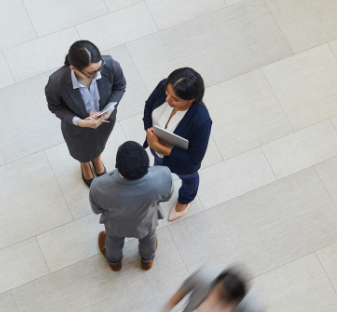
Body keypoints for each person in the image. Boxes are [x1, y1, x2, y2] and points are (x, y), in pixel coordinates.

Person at [46, 40, 126, 186]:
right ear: (73, 68)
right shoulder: (56, 82)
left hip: (104, 122)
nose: (97, 75)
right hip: (76, 128)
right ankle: (84, 164)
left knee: (99, 143)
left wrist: (109, 109)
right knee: (79, 149)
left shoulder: (111, 65)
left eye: (99, 69)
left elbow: (120, 86)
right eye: (91, 73)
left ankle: (96, 159)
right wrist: (80, 121)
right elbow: (55, 107)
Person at [92, 141, 173, 271]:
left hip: (116, 225)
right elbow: (167, 196)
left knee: (113, 241)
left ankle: (114, 262)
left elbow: (97, 209)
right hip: (147, 221)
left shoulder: (99, 186)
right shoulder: (164, 175)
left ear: (116, 165)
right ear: (147, 163)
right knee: (149, 237)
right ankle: (147, 260)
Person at [143, 68, 212, 221]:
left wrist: (160, 147)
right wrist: (149, 130)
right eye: (167, 93)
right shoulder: (164, 87)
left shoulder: (201, 121)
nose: (167, 100)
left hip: (182, 163)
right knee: (159, 171)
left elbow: (195, 158)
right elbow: (149, 106)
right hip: (156, 150)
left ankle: (186, 199)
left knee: (189, 179)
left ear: (191, 99)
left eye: (175, 99)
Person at [164, 264, 266, 312]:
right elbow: (176, 297)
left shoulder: (253, 306)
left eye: (224, 302)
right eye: (216, 295)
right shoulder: (204, 276)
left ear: (237, 302)